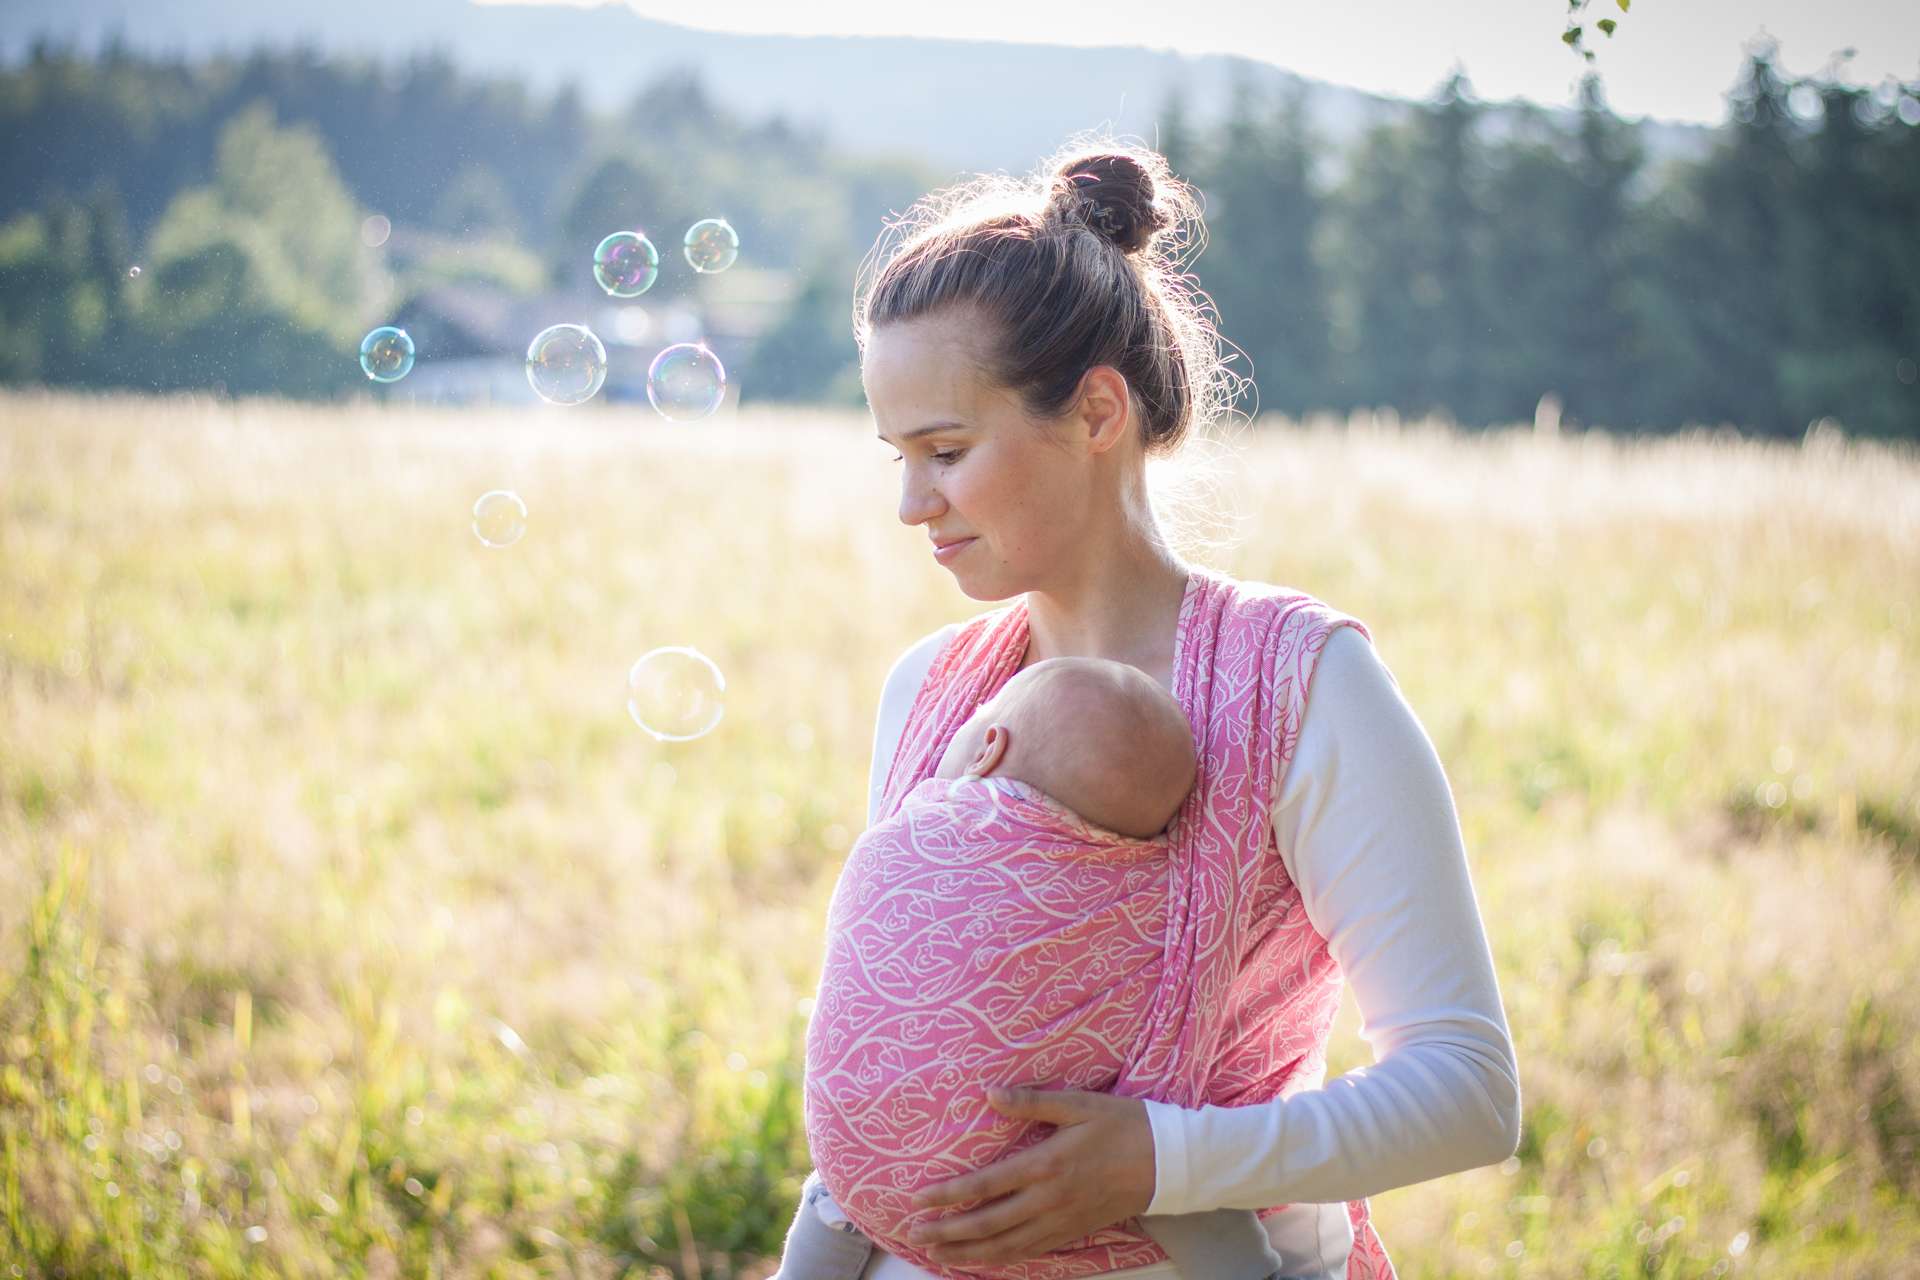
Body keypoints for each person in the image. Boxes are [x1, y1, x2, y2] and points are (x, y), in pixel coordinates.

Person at [786, 139, 1521, 1280]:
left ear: (1094, 411)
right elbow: (915, 1021)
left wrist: (1165, 1159)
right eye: (897, 453)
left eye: (945, 448)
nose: (909, 501)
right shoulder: (927, 693)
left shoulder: (1305, 686)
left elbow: (1468, 1090)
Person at [781, 655, 1300, 1280]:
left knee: (835, 1190)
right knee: (1161, 1160)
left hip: (867, 1160)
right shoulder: (1159, 892)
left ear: (987, 749)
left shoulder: (907, 838)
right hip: (1031, 1156)